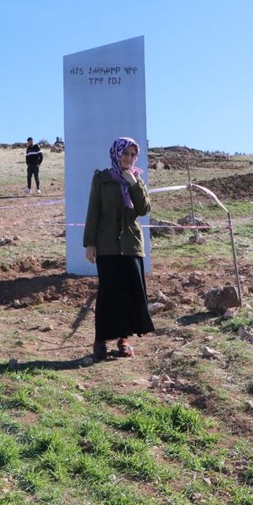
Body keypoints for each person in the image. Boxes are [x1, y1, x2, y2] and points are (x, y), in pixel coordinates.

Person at [83, 137, 155, 361]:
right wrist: (90, 243)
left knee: (128, 294)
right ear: (116, 153)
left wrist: (133, 184)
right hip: (107, 245)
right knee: (108, 294)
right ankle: (100, 340)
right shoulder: (102, 178)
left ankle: (124, 339)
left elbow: (143, 209)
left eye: (133, 154)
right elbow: (93, 211)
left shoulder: (137, 179)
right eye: (125, 153)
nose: (129, 158)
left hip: (131, 245)